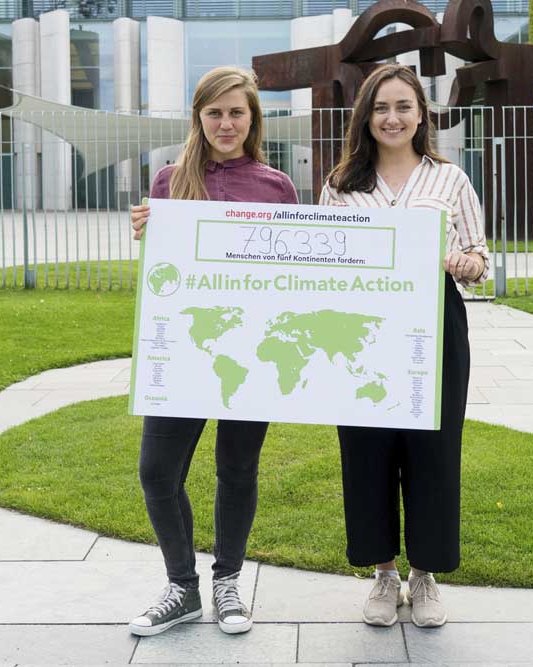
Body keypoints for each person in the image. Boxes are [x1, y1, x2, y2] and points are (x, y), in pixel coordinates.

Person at [126, 66, 298, 637]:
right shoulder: (169, 181)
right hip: (184, 352)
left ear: (253, 118)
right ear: (198, 117)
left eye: (237, 112)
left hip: (251, 355)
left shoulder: (278, 187)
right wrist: (148, 234)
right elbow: (164, 277)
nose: (226, 124)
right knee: (157, 472)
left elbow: (293, 276)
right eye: (215, 113)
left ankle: (228, 582)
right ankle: (183, 587)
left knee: (237, 468)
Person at [319, 64, 489, 629]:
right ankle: (384, 575)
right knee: (366, 451)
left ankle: (425, 575)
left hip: (433, 324)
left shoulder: (450, 180)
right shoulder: (342, 185)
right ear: (365, 117)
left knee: (434, 450)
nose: (392, 118)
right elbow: (319, 262)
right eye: (381, 108)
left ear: (422, 114)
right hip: (359, 330)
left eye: (403, 107)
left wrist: (469, 264)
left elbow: (479, 259)